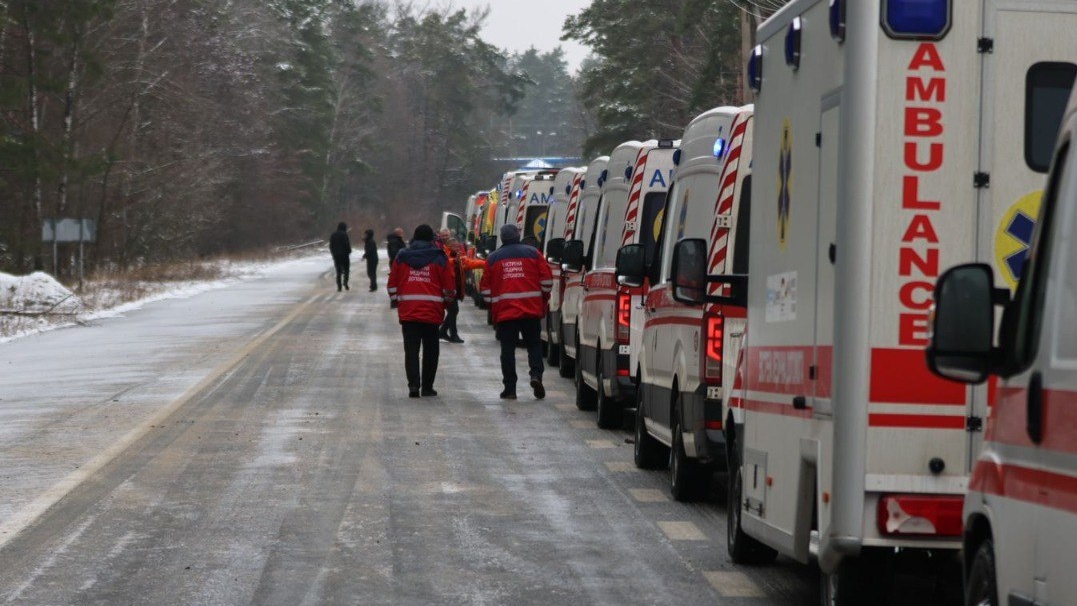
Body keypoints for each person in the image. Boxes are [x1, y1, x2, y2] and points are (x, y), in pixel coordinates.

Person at [480, 223, 553, 400]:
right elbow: (547, 282)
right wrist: (541, 297)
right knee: (534, 345)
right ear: (517, 236)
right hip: (531, 310)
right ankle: (536, 375)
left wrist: (494, 305)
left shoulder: (493, 258)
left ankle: (510, 389)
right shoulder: (534, 254)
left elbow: (485, 290)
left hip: (506, 313)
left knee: (508, 349)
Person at [387, 224, 455, 398]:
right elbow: (449, 288)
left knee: (411, 351)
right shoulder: (439, 257)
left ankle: (413, 386)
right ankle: (427, 387)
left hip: (409, 312)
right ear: (431, 239)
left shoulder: (402, 257)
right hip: (432, 312)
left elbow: (392, 284)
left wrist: (396, 301)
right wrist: (446, 304)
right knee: (431, 351)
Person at [437, 229, 485, 343]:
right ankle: (452, 334)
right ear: (449, 246)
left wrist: (487, 263)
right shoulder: (444, 255)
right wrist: (455, 260)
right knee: (454, 310)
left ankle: (443, 331)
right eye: (455, 246)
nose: (458, 248)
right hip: (448, 288)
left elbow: (470, 263)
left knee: (453, 311)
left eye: (458, 246)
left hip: (455, 288)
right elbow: (446, 263)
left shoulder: (460, 257)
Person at [329, 222, 351, 292]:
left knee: (338, 271)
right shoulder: (344, 234)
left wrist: (333, 254)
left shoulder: (333, 235)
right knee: (346, 270)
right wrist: (349, 251)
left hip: (336, 256)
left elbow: (331, 246)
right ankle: (345, 282)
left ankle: (339, 286)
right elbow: (346, 244)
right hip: (344, 255)